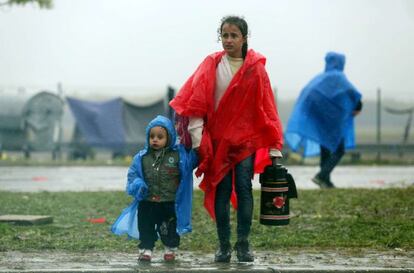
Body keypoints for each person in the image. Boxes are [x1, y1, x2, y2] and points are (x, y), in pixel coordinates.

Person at [169, 15, 284, 262]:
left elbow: (266, 107)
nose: (228, 40)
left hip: (244, 142)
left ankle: (243, 244)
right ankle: (223, 245)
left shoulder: (256, 69)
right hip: (217, 142)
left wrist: (275, 146)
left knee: (244, 188)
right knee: (221, 190)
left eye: (234, 35)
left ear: (244, 38)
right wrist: (198, 140)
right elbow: (196, 103)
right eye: (225, 35)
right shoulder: (211, 64)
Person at [111, 115, 198, 262]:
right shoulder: (141, 157)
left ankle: (170, 249)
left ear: (169, 138)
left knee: (169, 228)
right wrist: (138, 184)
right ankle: (146, 250)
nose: (155, 139)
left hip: (168, 202)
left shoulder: (178, 156)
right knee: (146, 227)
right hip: (147, 202)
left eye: (160, 136)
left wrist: (194, 144)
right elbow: (132, 175)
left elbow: (192, 162)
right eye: (152, 136)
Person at [285, 51, 362, 188]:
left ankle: (325, 180)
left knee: (325, 148)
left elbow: (308, 93)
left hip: (320, 121)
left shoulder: (320, 78)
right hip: (332, 122)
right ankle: (321, 176)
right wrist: (357, 105)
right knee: (339, 150)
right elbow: (351, 92)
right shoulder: (338, 76)